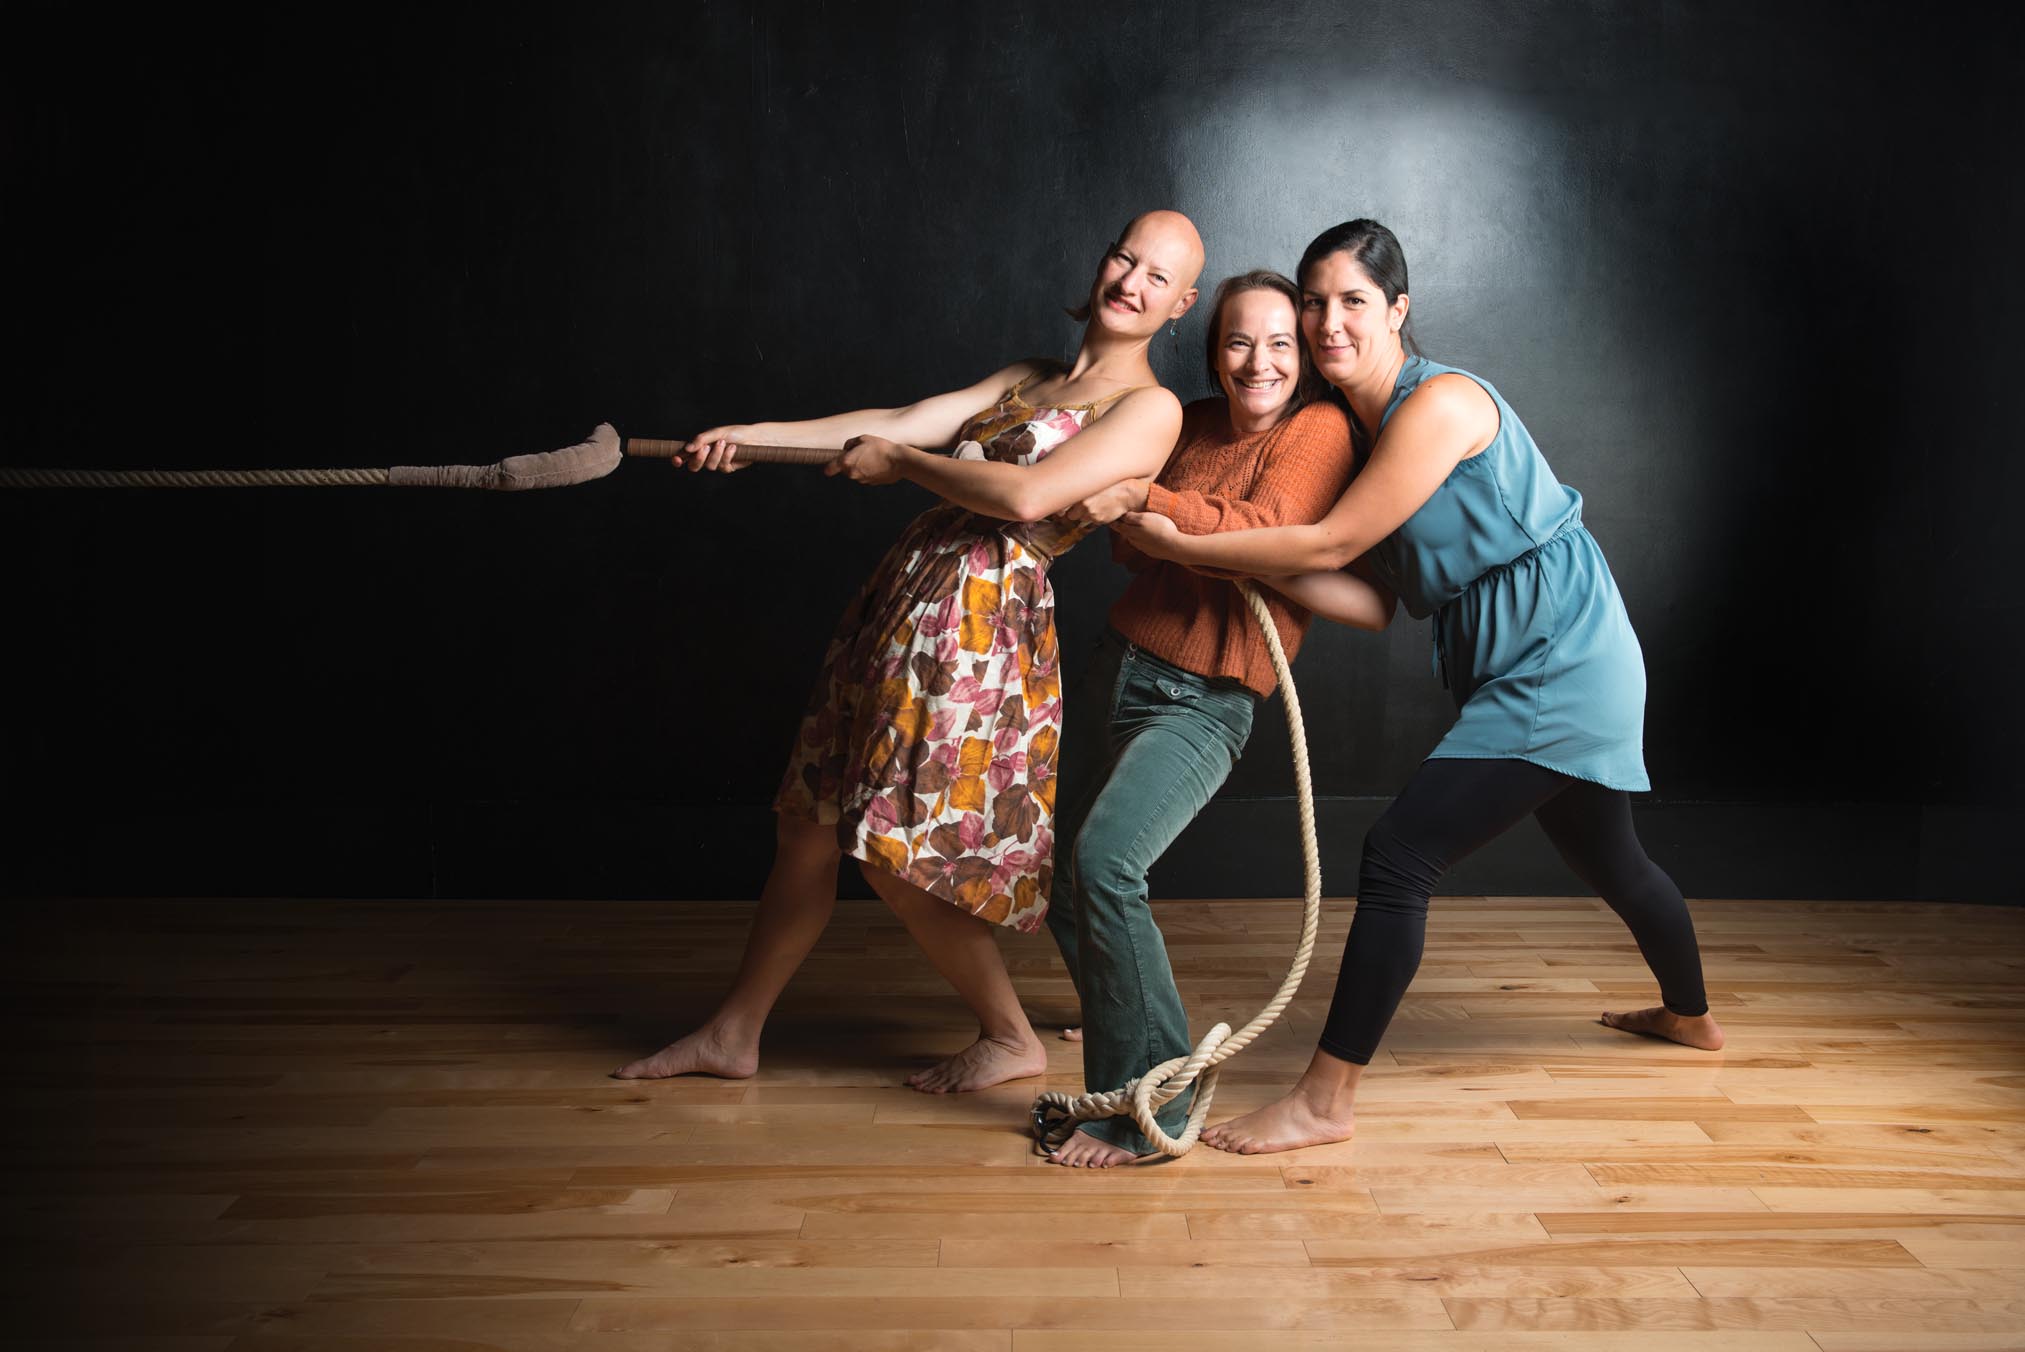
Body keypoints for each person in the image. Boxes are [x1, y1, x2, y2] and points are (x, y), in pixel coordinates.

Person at [1114, 219, 1723, 1155]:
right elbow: (1367, 603)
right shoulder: (1360, 436)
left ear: (1397, 309)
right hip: (1528, 663)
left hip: (1563, 658)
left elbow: (1324, 546)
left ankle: (1323, 1102)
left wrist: (1179, 538)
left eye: (1353, 301)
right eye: (1313, 303)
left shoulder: (1436, 406)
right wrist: (1228, 563)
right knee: (1611, 857)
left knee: (1399, 856)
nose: (1327, 323)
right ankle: (1691, 1017)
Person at [615, 210, 1206, 1094]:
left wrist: (902, 463)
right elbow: (901, 418)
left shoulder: (1147, 408)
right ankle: (732, 1032)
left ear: (1179, 305)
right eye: (1126, 257)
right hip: (903, 598)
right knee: (808, 826)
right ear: (1100, 262)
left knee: (890, 844)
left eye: (1158, 277)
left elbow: (1029, 494)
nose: (1132, 281)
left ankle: (1008, 1036)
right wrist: (752, 440)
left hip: (977, 623)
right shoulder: (1030, 377)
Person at [1042, 268, 1389, 1167]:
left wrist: (1146, 503)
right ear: (1213, 350)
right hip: (1118, 664)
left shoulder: (1317, 431)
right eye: (1238, 341)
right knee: (1056, 875)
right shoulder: (1186, 423)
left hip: (1208, 695)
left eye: (1280, 342)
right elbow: (1126, 547)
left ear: (1301, 356)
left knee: (1105, 861)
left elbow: (1263, 525)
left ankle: (1145, 1100)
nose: (1259, 361)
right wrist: (1149, 518)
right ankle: (1120, 1012)